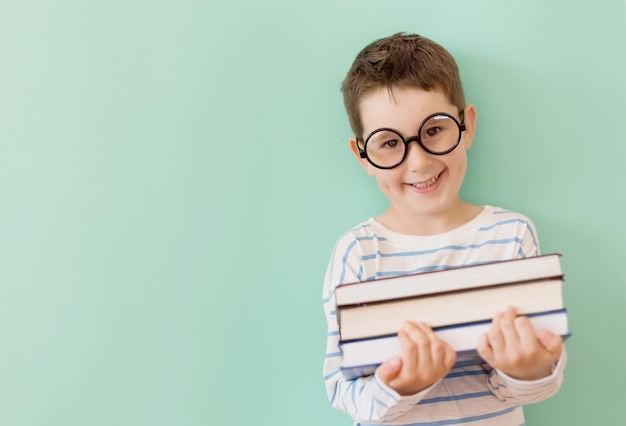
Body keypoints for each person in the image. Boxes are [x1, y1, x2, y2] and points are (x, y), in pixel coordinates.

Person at [322, 33, 566, 425]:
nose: (417, 163)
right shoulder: (358, 252)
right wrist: (401, 385)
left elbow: (539, 385)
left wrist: (525, 368)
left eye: (434, 130)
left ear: (466, 126)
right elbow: (343, 390)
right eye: (388, 143)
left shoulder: (512, 234)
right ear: (362, 155)